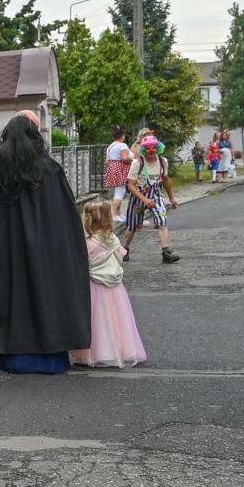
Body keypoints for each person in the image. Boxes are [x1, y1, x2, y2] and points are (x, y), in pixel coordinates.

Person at [0, 111, 90, 374]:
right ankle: (46, 353)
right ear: (35, 136)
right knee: (42, 292)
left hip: (5, 250)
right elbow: (63, 217)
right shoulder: (50, 170)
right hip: (44, 250)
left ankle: (4, 355)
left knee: (8, 296)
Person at [71, 201, 147, 369]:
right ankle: (121, 350)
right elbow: (120, 258)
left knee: (98, 320)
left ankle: (98, 352)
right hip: (115, 287)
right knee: (118, 319)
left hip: (94, 286)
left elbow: (81, 264)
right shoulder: (113, 239)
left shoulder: (87, 244)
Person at [123, 134, 182, 263]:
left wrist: (172, 198)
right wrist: (144, 200)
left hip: (155, 195)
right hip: (138, 196)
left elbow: (165, 180)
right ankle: (125, 249)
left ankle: (166, 252)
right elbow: (131, 186)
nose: (151, 151)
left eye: (153, 147)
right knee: (133, 226)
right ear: (143, 149)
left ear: (158, 148)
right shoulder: (137, 163)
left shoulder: (163, 161)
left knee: (162, 220)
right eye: (148, 148)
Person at [104, 126, 134, 223]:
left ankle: (118, 214)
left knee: (118, 190)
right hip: (120, 168)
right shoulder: (122, 146)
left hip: (113, 168)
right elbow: (125, 158)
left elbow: (107, 161)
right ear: (122, 136)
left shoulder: (111, 146)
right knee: (120, 192)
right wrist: (133, 161)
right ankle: (114, 214)